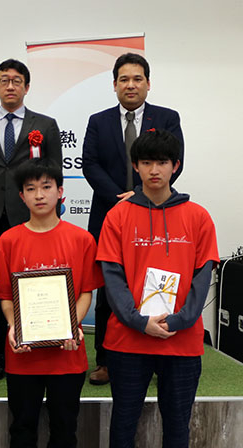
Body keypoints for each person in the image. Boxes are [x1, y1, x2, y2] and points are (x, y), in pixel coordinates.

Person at [96, 130, 218, 447]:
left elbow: (202, 278)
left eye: (162, 162)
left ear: (175, 165)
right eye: (146, 162)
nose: (154, 170)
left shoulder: (199, 217)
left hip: (182, 342)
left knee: (178, 428)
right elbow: (113, 277)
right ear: (135, 166)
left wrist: (177, 321)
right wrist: (139, 321)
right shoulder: (117, 216)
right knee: (123, 424)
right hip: (127, 340)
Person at [82, 52, 185, 386]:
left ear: (148, 83)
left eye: (137, 78)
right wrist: (121, 198)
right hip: (109, 214)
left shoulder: (167, 117)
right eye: (124, 79)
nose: (130, 85)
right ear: (114, 85)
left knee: (151, 281)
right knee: (108, 284)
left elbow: (174, 160)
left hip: (156, 215)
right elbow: (90, 164)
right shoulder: (98, 121)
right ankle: (105, 361)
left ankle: (153, 356)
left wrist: (141, 197)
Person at [0, 58, 62, 381]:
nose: (10, 86)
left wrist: (52, 214)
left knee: (26, 282)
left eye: (16, 81)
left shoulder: (45, 125)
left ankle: (34, 337)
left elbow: (54, 173)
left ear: (27, 87)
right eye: (4, 80)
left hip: (28, 215)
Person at [0, 158, 103, 447]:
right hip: (22, 354)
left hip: (67, 355)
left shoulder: (82, 240)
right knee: (21, 428)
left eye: (46, 187)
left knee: (65, 430)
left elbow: (85, 293)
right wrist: (14, 325)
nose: (39, 195)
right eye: (31, 189)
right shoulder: (7, 241)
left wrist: (71, 326)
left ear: (60, 192)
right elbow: (6, 295)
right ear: (21, 196)